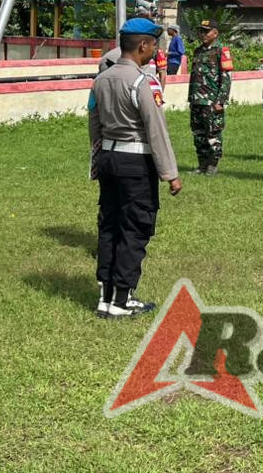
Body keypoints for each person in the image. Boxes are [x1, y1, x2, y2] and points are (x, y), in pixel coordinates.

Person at [88, 17, 181, 319]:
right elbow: (156, 129)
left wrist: (97, 160)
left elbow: (94, 122)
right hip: (134, 163)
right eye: (153, 44)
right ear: (142, 45)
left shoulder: (101, 79)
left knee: (109, 226)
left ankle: (105, 296)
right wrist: (170, 173)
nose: (154, 50)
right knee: (134, 228)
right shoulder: (143, 82)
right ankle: (122, 300)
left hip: (108, 159)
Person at [188, 18, 232, 175]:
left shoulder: (221, 51)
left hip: (211, 101)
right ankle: (202, 164)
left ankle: (213, 165)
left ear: (216, 33)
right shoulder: (198, 51)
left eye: (206, 32)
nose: (202, 34)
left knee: (213, 133)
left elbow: (226, 78)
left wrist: (220, 100)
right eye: (201, 31)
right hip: (197, 100)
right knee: (198, 134)